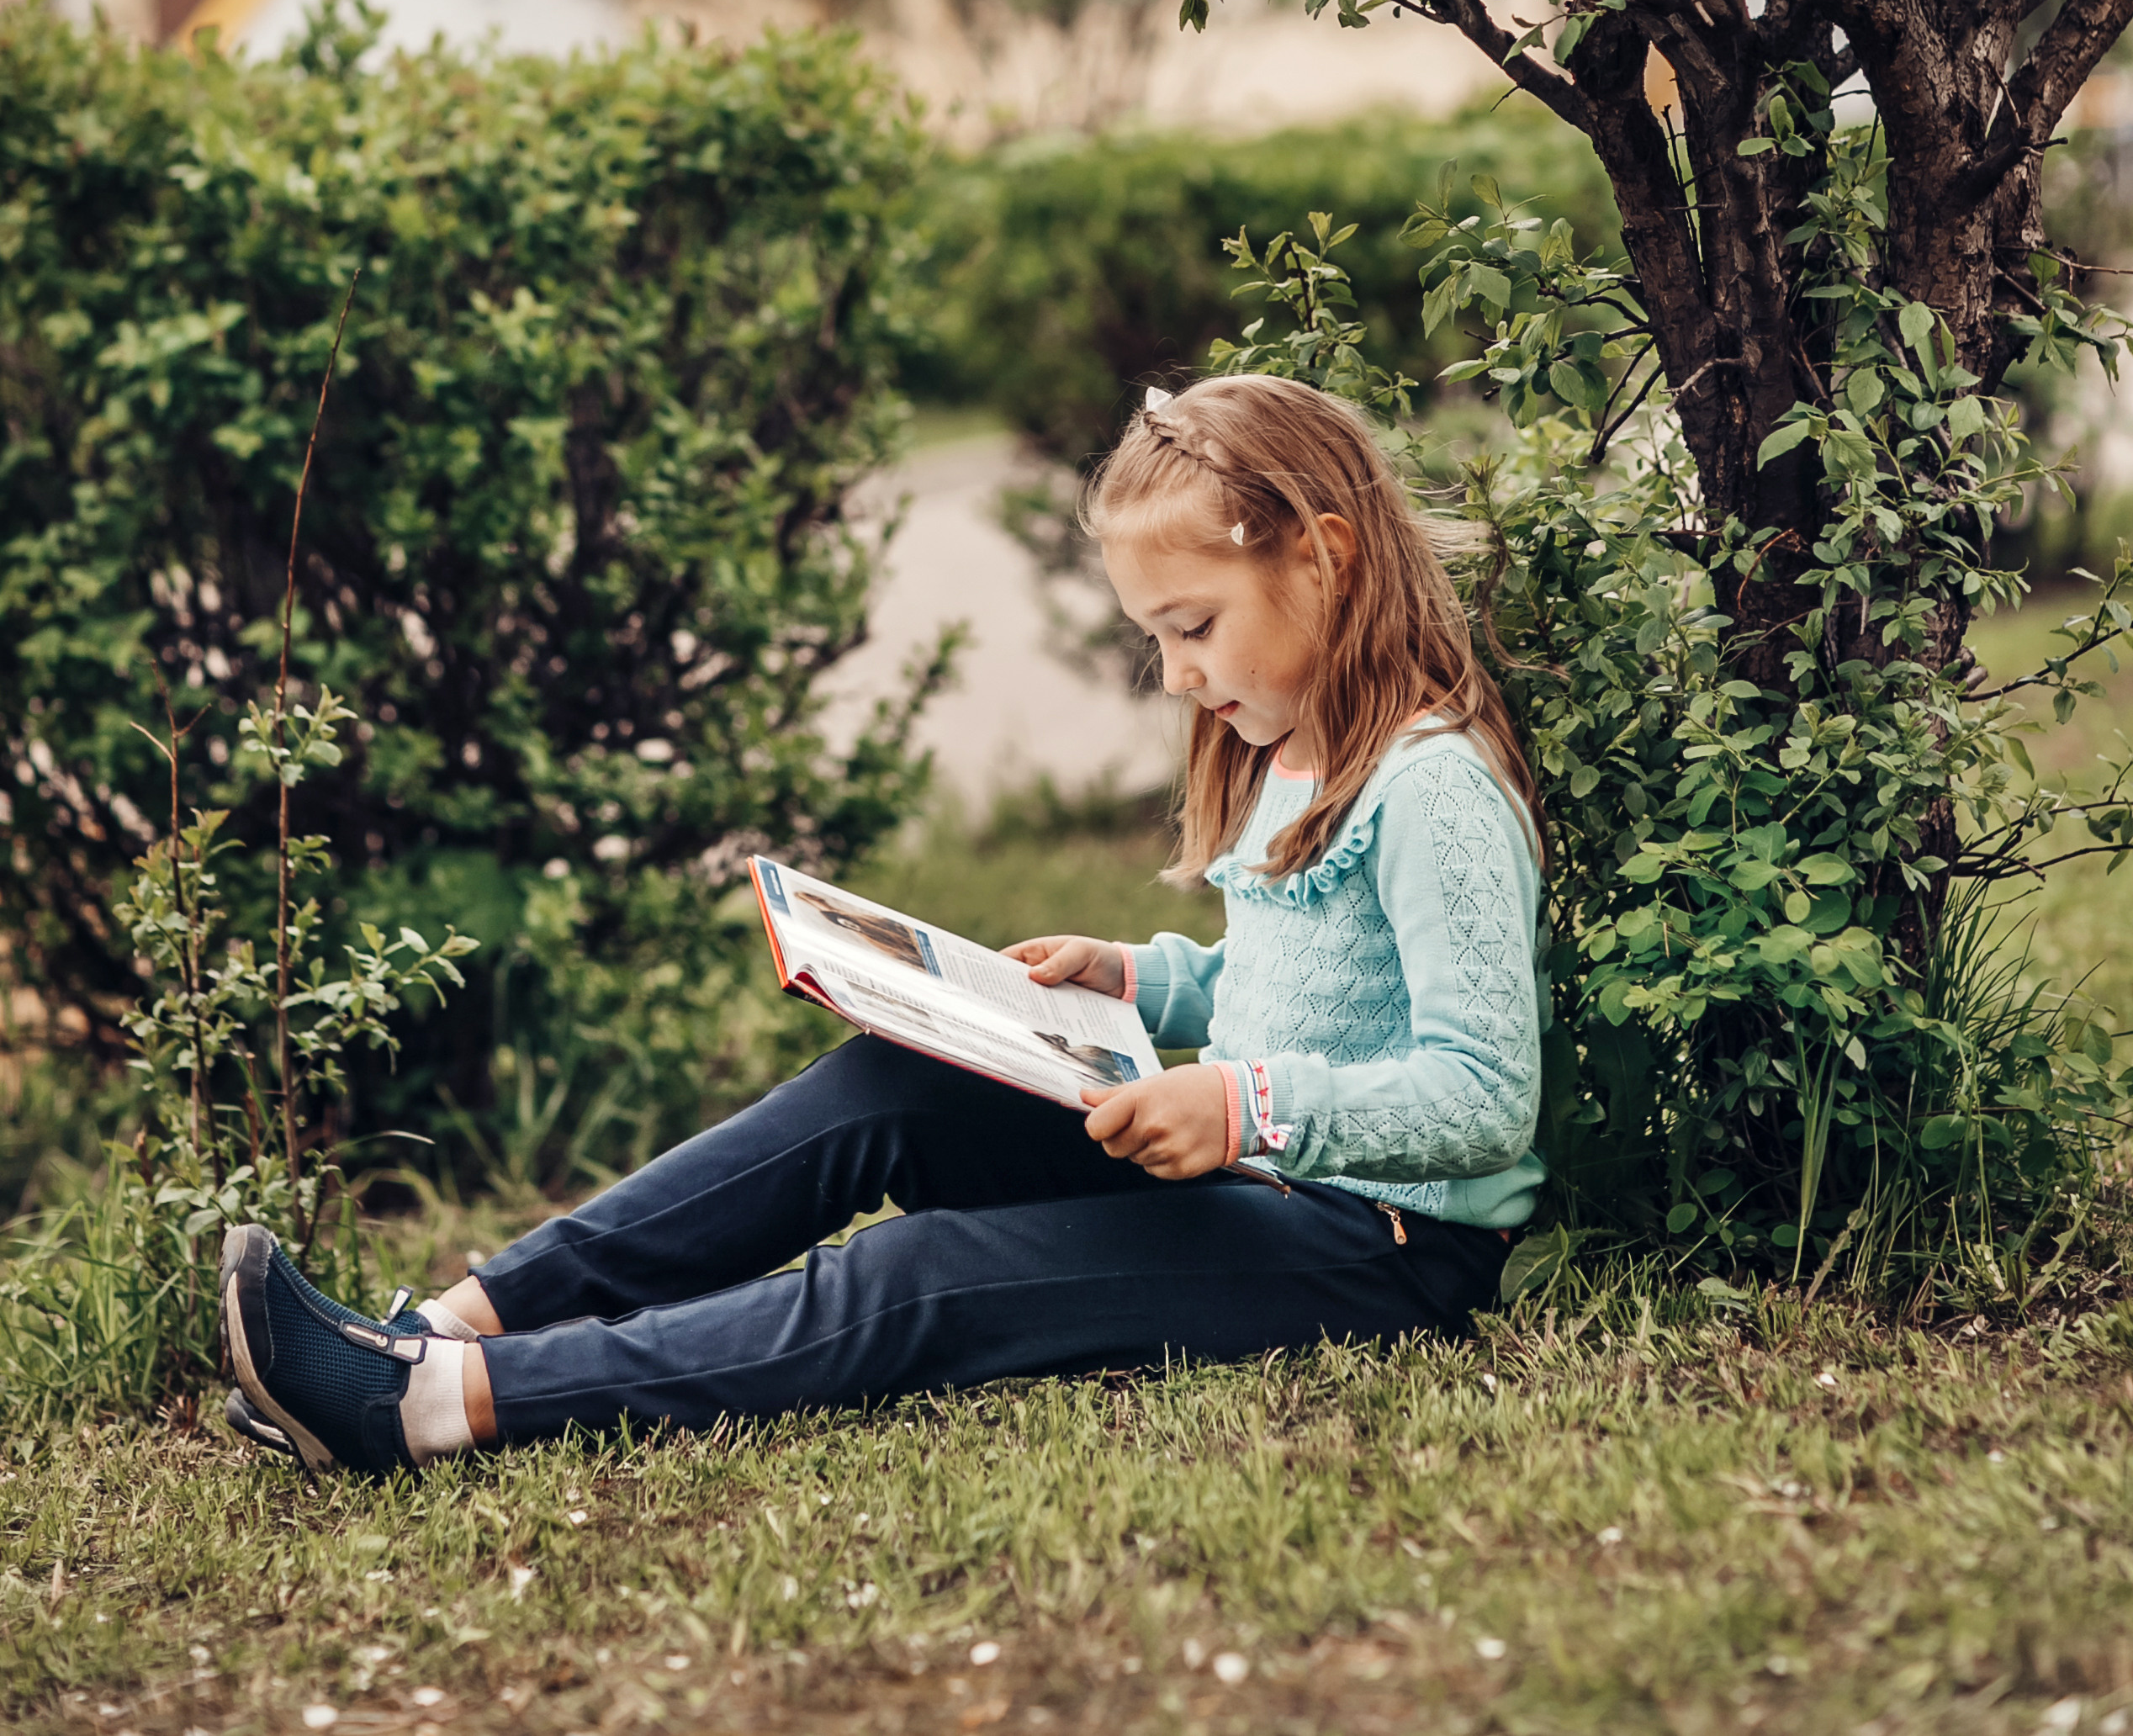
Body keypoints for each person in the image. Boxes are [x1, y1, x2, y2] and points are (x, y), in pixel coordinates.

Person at [219, 374, 1548, 1479]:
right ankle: (433, 1328)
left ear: (1325, 555)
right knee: (884, 1086)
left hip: (1376, 1250)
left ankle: (426, 1408)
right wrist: (1145, 983)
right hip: (1263, 1174)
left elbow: (1484, 1095)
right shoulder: (1300, 750)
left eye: (1192, 627)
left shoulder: (1431, 785)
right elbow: (1302, 984)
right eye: (1156, 639)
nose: (1178, 676)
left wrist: (1244, 1107)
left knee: (919, 1276)